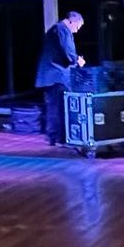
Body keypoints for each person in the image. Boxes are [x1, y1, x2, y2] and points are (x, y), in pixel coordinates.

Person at [35, 10, 87, 146]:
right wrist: (77, 60)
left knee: (53, 107)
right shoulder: (62, 30)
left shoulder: (54, 30)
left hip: (50, 77)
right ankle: (60, 138)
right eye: (76, 27)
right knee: (60, 108)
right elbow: (68, 51)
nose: (76, 31)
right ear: (71, 21)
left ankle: (53, 137)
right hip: (57, 76)